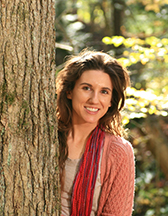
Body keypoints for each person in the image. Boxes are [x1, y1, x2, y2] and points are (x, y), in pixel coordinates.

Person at [56, 49, 135, 216]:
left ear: (111, 101)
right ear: (69, 91)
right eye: (86, 88)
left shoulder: (119, 152)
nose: (94, 99)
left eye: (104, 92)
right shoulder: (45, 136)